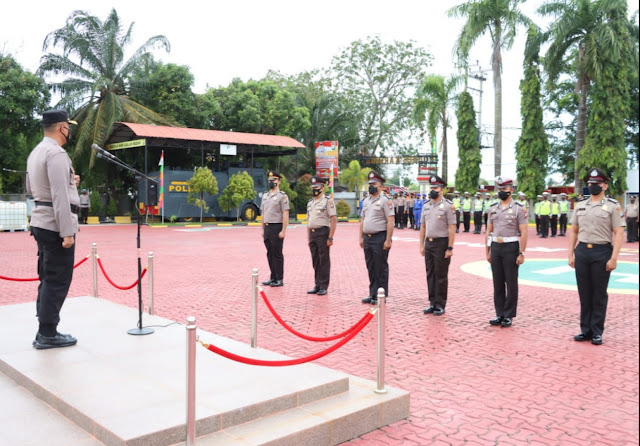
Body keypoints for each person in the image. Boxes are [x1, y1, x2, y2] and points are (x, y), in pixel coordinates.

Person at [26, 110, 80, 349]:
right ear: (62, 127)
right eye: (69, 126)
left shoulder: (37, 151)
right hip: (55, 224)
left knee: (47, 278)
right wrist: (67, 232)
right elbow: (58, 195)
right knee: (57, 280)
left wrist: (70, 181)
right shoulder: (56, 153)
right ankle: (48, 332)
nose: (70, 130)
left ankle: (44, 329)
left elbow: (33, 187)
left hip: (40, 220)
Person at [569, 168, 625, 345]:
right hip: (583, 251)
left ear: (605, 186)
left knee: (599, 294)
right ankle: (585, 330)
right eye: (591, 184)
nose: (593, 186)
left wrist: (614, 258)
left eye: (597, 183)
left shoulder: (612, 206)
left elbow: (618, 232)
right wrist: (570, 253)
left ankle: (597, 331)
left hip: (602, 252)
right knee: (584, 293)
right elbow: (574, 231)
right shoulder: (580, 205)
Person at [485, 177, 528, 328]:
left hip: (511, 247)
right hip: (496, 246)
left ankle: (509, 315)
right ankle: (499, 314)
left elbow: (524, 232)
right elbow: (489, 231)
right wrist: (488, 250)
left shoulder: (518, 208)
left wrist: (521, 252)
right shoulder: (492, 208)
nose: (501, 192)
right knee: (497, 283)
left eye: (504, 189)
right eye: (500, 189)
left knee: (511, 282)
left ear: (512, 190)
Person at [420, 175, 456, 316]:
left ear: (442, 190)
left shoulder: (448, 206)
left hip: (442, 243)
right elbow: (423, 226)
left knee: (441, 275)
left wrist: (450, 247)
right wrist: (421, 245)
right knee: (430, 274)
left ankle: (440, 304)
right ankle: (432, 303)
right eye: (432, 188)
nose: (432, 190)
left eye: (435, 188)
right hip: (429, 243)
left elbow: (452, 227)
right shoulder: (426, 205)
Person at [360, 171, 394, 304]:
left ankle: (381, 295)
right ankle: (372, 294)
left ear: (380, 186)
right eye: (370, 184)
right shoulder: (366, 200)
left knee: (380, 267)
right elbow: (362, 220)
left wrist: (388, 239)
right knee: (371, 266)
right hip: (367, 238)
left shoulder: (385, 200)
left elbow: (390, 221)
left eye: (374, 184)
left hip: (380, 237)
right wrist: (361, 237)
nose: (371, 186)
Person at [306, 177, 337, 296]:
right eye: (313, 187)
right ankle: (317, 284)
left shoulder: (327, 201)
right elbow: (308, 221)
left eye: (317, 187)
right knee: (315, 260)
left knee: (323, 260)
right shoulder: (310, 202)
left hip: (323, 233)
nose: (314, 189)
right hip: (313, 233)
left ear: (322, 188)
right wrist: (308, 238)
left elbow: (333, 219)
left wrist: (330, 237)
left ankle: (323, 285)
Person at [260, 171, 289, 287]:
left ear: (279, 181)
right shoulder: (265, 195)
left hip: (277, 226)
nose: (271, 182)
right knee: (270, 253)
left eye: (274, 180)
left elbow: (285, 214)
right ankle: (273, 277)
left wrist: (283, 230)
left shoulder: (282, 196)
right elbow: (263, 213)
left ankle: (279, 279)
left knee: (277, 254)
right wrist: (262, 229)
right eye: (270, 180)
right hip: (267, 227)